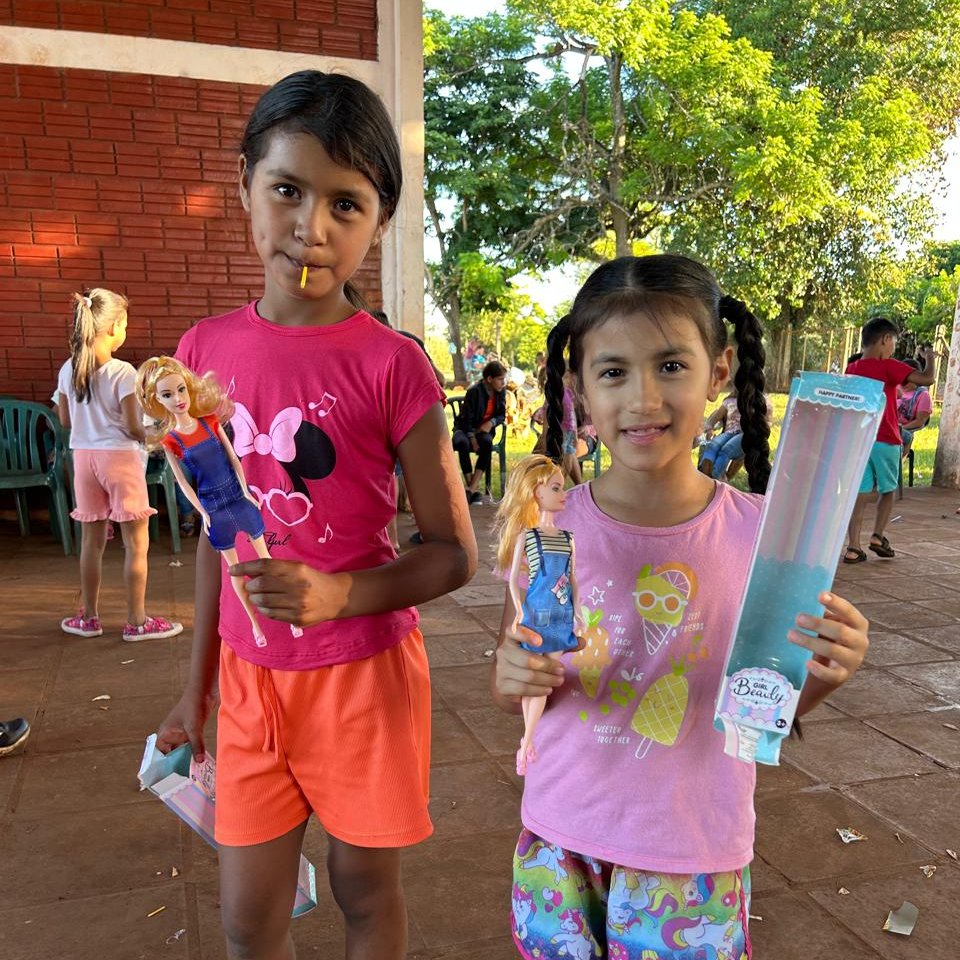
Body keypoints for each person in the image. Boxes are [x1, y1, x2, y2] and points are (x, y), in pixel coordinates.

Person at [154, 70, 477, 960]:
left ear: (380, 220)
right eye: (288, 190)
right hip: (250, 683)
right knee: (246, 915)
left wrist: (341, 595)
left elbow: (453, 553)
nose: (312, 226)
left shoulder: (394, 367)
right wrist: (197, 688)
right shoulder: (201, 353)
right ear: (245, 185)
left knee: (363, 891)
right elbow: (218, 536)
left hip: (363, 681)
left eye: (346, 203)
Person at [493, 254, 870, 959]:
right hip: (559, 838)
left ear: (718, 371)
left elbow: (766, 707)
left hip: (691, 851)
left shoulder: (765, 539)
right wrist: (510, 673)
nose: (643, 399)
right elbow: (517, 673)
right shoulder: (549, 532)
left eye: (670, 366)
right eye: (613, 371)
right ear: (579, 388)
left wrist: (824, 671)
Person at [138, 356, 304, 648]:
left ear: (189, 388)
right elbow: (184, 484)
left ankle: (289, 618)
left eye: (181, 390)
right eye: (167, 394)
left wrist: (246, 491)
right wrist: (203, 513)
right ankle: (256, 627)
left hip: (237, 497)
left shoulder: (210, 422)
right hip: (213, 508)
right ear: (157, 401)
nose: (177, 399)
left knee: (266, 560)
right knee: (235, 570)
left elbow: (234, 460)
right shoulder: (171, 441)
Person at [56, 289, 183, 642]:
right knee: (136, 544)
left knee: (91, 544)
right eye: (124, 324)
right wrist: (157, 433)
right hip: (120, 460)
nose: (125, 330)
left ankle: (89, 618)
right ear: (112, 327)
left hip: (83, 459)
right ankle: (137, 622)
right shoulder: (122, 372)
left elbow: (64, 419)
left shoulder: (68, 369)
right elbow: (131, 427)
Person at [495, 456, 585, 775]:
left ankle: (527, 741)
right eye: (556, 488)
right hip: (537, 610)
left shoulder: (567, 538)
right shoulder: (528, 537)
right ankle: (528, 740)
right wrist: (519, 609)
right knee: (537, 678)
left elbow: (572, 578)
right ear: (536, 492)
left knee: (544, 679)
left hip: (561, 612)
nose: (563, 494)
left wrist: (578, 612)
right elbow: (514, 580)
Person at [844, 318, 935, 563]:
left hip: (860, 441)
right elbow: (927, 379)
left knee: (860, 493)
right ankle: (877, 535)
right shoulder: (888, 366)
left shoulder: (852, 369)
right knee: (887, 490)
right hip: (886, 439)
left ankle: (853, 547)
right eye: (893, 343)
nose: (893, 349)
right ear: (885, 339)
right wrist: (929, 357)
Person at [452, 359, 507, 504]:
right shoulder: (474, 392)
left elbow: (501, 415)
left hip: (483, 431)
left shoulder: (500, 392)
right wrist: (472, 439)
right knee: (462, 443)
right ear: (489, 379)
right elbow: (466, 419)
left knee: (487, 443)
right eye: (500, 379)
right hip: (464, 429)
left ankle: (471, 488)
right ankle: (473, 489)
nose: (503, 383)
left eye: (504, 379)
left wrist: (491, 422)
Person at [896, 358, 933, 458]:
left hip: (903, 430)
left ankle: (898, 463)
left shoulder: (922, 395)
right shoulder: (894, 387)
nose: (903, 382)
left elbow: (920, 421)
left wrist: (900, 428)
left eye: (908, 379)